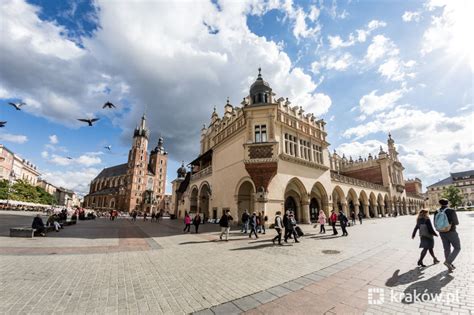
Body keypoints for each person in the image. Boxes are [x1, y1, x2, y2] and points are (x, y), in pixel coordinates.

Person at [434, 198, 460, 272]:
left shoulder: (436, 211)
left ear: (440, 203)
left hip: (441, 232)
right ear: (447, 203)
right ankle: (448, 262)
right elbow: (457, 222)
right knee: (457, 248)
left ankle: (449, 266)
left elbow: (435, 223)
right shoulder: (451, 211)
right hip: (451, 231)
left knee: (446, 249)